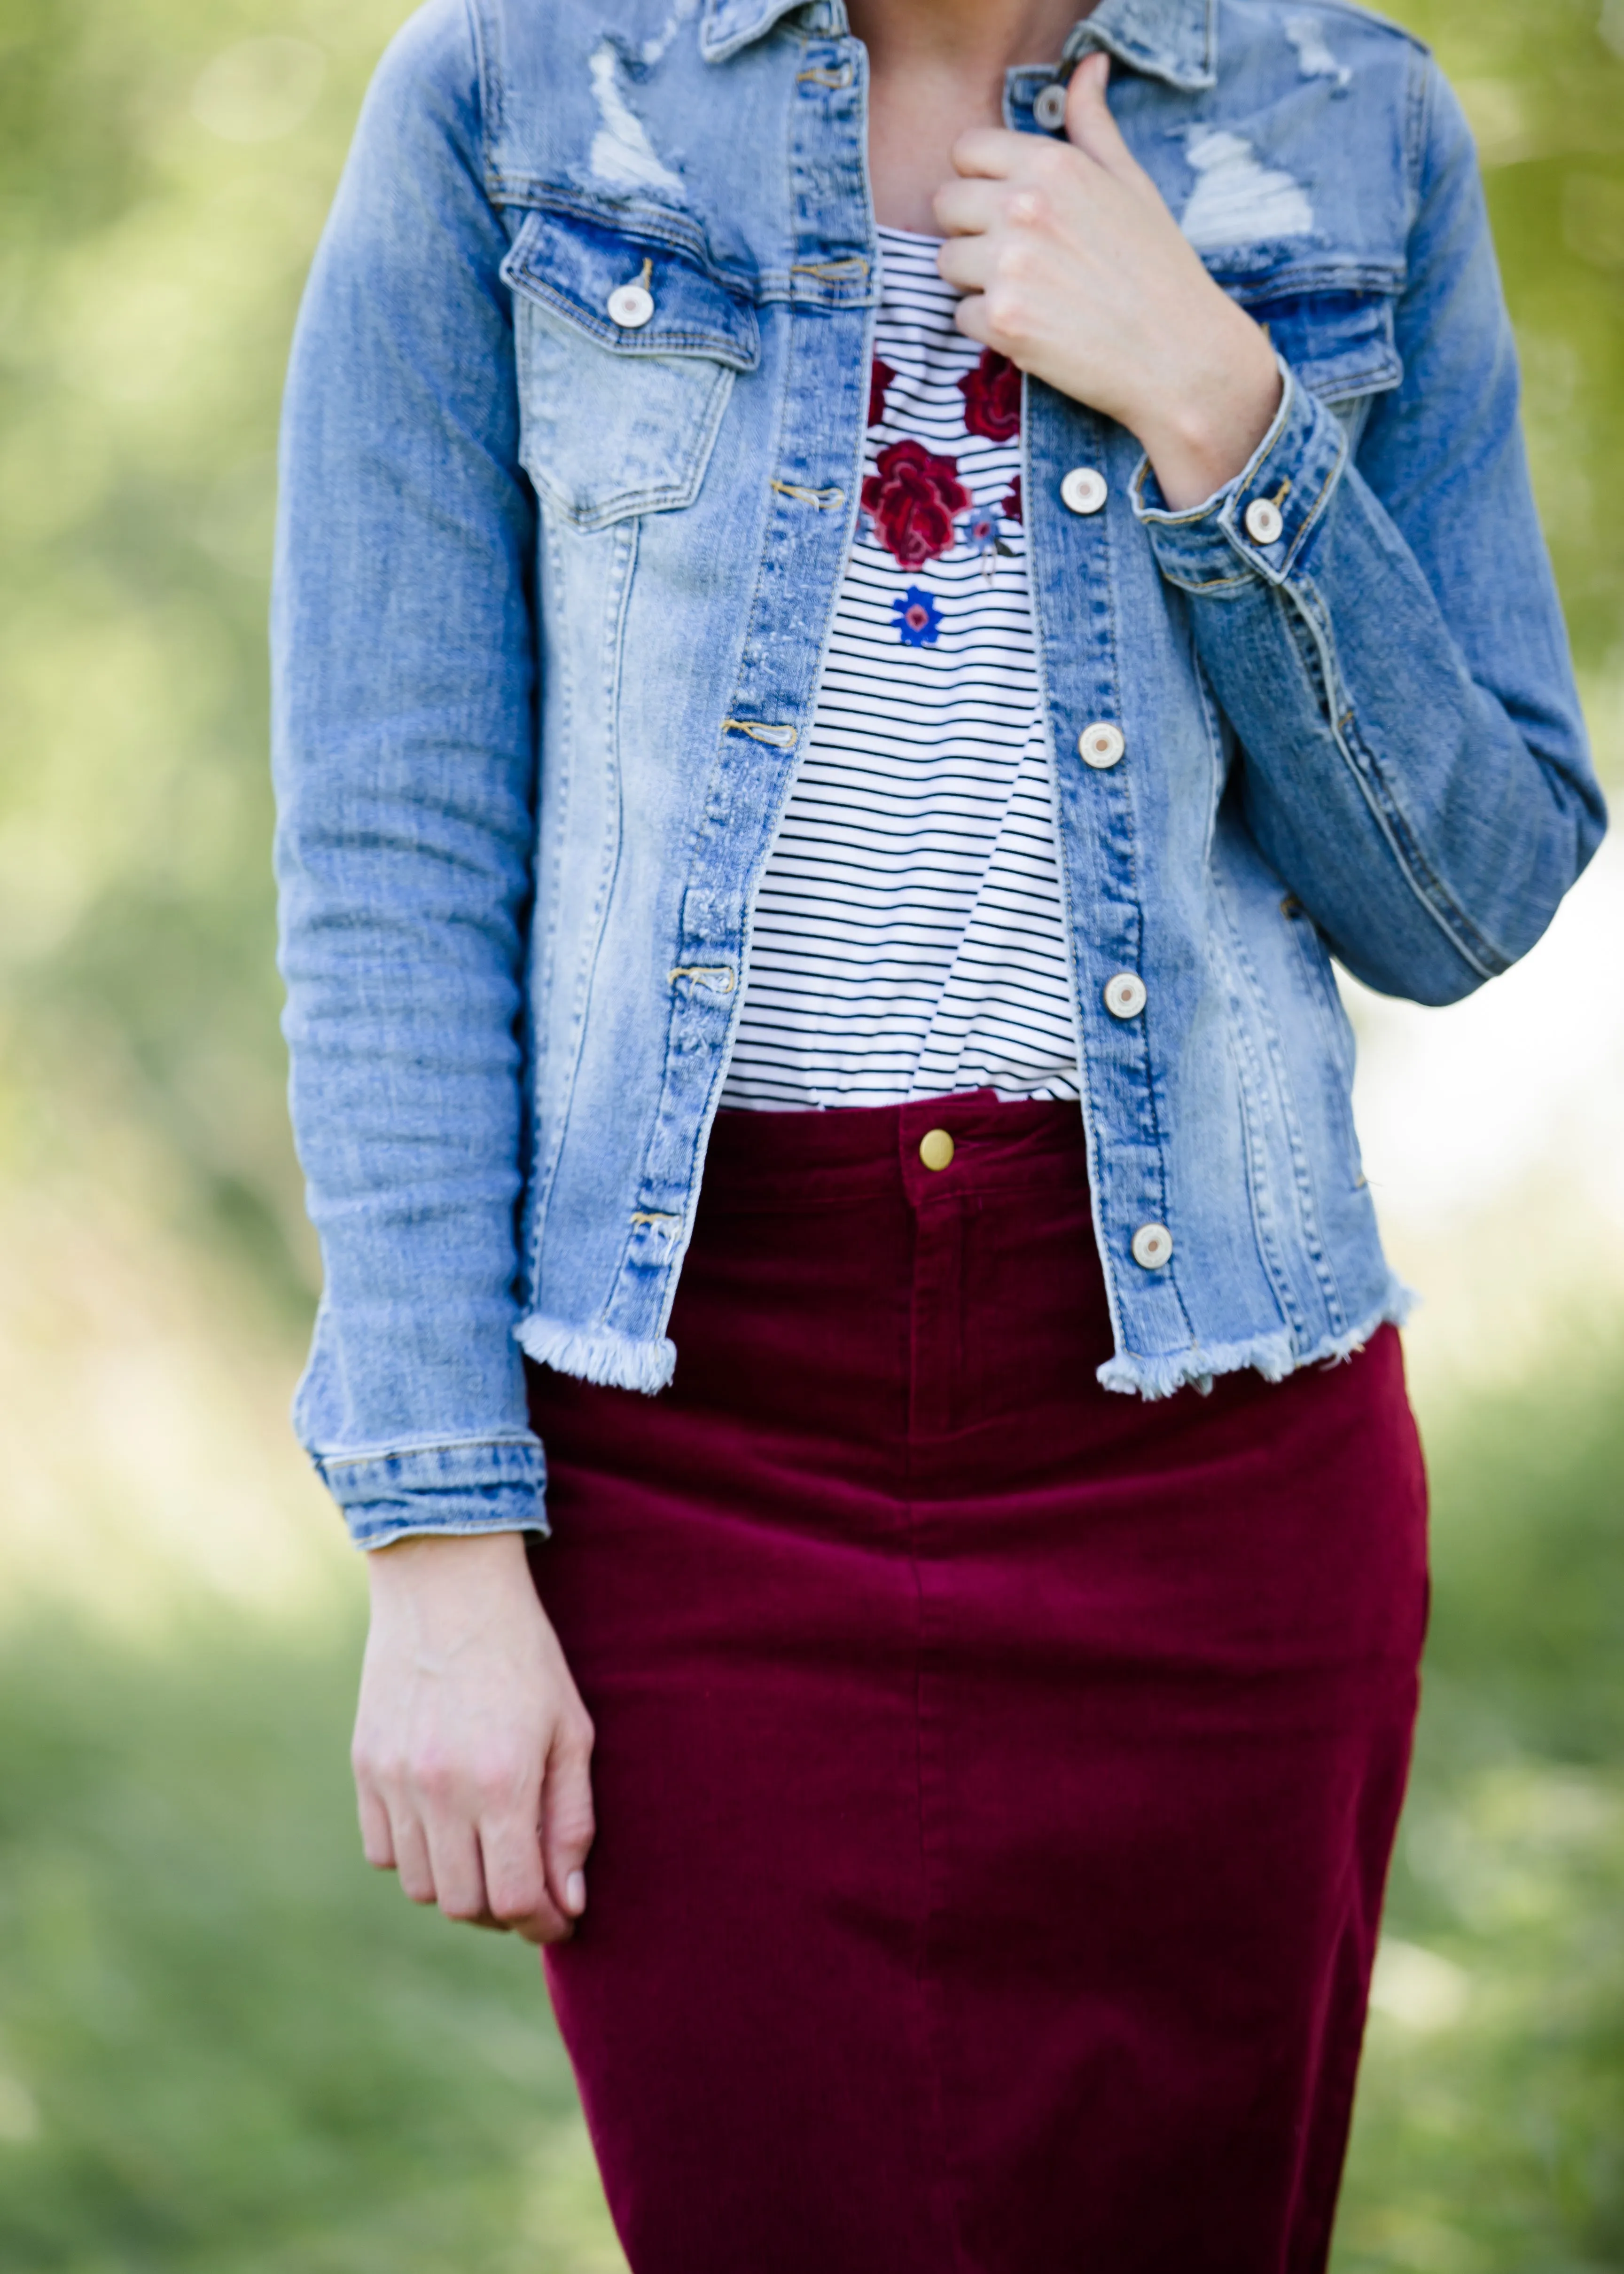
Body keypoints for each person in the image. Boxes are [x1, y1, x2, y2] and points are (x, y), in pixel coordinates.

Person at [271, 0, 1603, 2263]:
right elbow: (396, 856)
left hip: (1212, 1457)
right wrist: (438, 1542)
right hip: (699, 1456)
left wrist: (1220, 404)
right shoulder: (512, 98)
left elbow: (1468, 891)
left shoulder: (1348, 125)